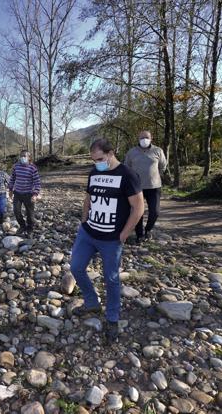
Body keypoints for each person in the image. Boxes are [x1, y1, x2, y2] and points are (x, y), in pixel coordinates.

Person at [70, 138, 144, 343]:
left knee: (111, 279)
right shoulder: (94, 173)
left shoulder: (127, 175)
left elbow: (138, 208)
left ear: (111, 153)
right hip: (88, 233)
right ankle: (92, 302)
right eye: (94, 160)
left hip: (111, 239)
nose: (97, 163)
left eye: (100, 159)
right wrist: (83, 221)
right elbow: (88, 198)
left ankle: (112, 317)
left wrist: (124, 234)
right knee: (76, 267)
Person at [124, 131, 167, 243]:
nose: (144, 139)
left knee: (155, 211)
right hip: (136, 188)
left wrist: (156, 176)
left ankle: (148, 230)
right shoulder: (132, 152)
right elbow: (126, 168)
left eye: (146, 137)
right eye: (142, 137)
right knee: (138, 212)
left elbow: (163, 166)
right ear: (138, 139)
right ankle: (139, 235)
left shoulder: (158, 151)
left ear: (151, 138)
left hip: (154, 187)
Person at [8, 150, 41, 236]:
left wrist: (35, 194)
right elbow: (12, 179)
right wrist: (10, 190)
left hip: (28, 194)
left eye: (25, 156)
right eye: (21, 155)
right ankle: (22, 226)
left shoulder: (33, 168)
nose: (23, 157)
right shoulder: (16, 166)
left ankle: (30, 228)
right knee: (16, 211)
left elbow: (37, 182)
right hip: (17, 193)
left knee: (30, 213)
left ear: (29, 157)